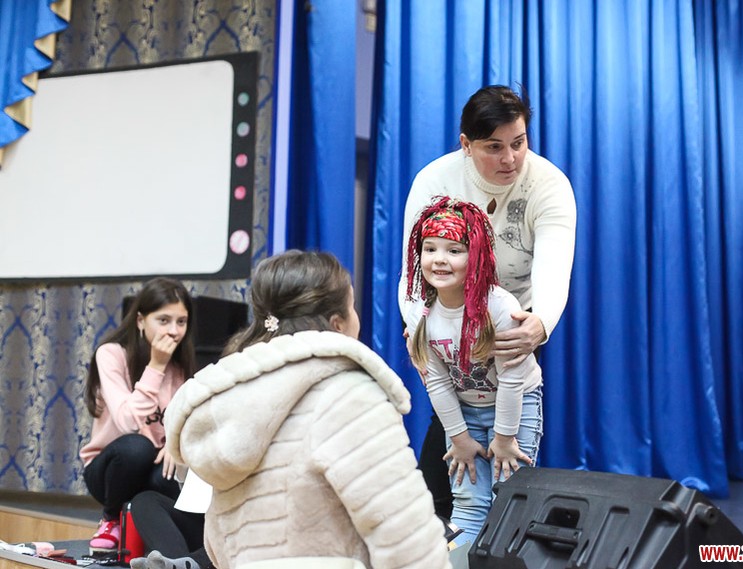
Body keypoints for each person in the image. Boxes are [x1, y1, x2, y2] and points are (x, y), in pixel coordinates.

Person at [165, 250, 452, 569]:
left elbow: (217, 541)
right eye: (353, 306)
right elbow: (403, 534)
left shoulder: (226, 399)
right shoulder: (348, 395)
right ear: (337, 324)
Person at [399, 85, 577, 518]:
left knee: (509, 442)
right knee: (452, 432)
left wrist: (539, 324)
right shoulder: (435, 181)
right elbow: (414, 271)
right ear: (466, 144)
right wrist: (422, 330)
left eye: (518, 143)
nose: (510, 158)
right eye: (494, 147)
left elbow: (554, 267)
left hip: (511, 324)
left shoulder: (549, 184)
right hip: (446, 318)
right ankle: (445, 522)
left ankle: (507, 517)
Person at [403, 197, 544, 547]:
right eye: (430, 249)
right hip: (465, 411)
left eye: (454, 250)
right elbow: (436, 381)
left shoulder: (500, 307)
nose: (439, 259)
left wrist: (505, 438)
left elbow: (512, 378)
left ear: (476, 256)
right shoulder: (421, 312)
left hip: (515, 404)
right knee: (467, 500)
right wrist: (460, 439)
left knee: (509, 497)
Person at [81, 277, 195, 554]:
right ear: (141, 321)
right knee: (137, 448)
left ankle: (162, 545)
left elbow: (190, 420)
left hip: (153, 467)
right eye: (164, 320)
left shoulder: (182, 367)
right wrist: (156, 366)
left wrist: (175, 444)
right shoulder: (111, 354)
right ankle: (110, 519)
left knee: (171, 474)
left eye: (181, 322)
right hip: (111, 470)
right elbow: (127, 422)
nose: (174, 331)